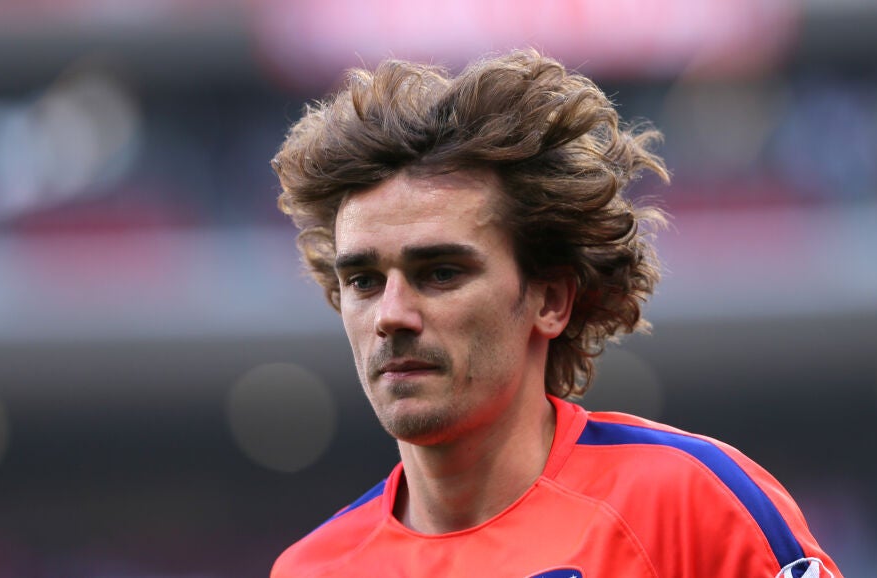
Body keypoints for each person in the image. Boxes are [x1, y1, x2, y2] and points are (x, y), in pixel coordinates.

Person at [269, 49, 841, 578]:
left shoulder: (690, 502)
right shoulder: (310, 569)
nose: (391, 315)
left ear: (550, 301)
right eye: (363, 281)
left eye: (440, 273)